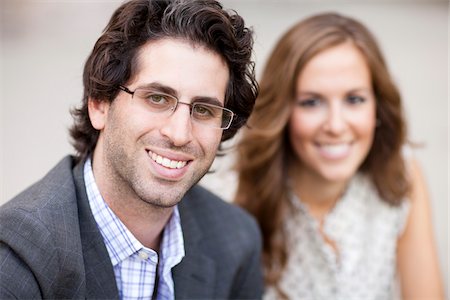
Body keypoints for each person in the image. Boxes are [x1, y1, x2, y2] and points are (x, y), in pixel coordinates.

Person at [0, 0, 263, 299]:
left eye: (203, 110)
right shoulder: (18, 255)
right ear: (99, 104)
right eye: (157, 98)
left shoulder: (236, 240)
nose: (179, 134)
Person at [235, 12, 444, 300]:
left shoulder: (402, 174)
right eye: (311, 102)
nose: (335, 125)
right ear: (283, 111)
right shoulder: (235, 192)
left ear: (377, 108)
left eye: (354, 99)